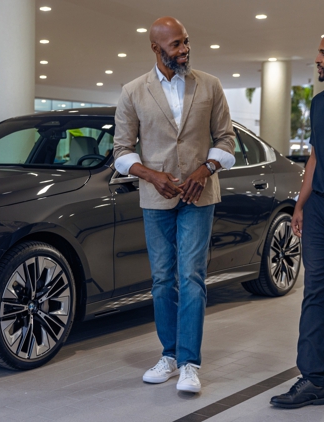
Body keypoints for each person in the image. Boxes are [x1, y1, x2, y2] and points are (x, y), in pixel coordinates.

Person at [113, 16, 235, 393]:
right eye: (175, 45)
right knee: (163, 279)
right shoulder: (133, 91)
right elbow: (121, 151)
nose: (183, 49)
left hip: (200, 197)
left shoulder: (209, 85)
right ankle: (168, 355)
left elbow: (227, 141)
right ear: (156, 48)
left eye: (185, 42)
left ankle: (189, 363)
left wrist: (206, 168)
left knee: (192, 277)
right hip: (155, 198)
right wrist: (151, 175)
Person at [270, 37, 324, 409]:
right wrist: (300, 204)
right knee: (316, 291)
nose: (318, 59)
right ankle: (315, 377)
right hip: (320, 208)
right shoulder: (319, 103)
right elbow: (315, 157)